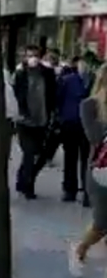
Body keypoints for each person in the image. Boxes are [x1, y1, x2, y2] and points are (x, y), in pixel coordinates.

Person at [13, 45, 57, 199]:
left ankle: (22, 178)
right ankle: (28, 186)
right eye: (29, 55)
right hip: (24, 121)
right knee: (29, 152)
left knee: (38, 154)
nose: (33, 58)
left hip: (42, 120)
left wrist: (52, 113)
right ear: (25, 57)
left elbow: (52, 94)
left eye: (35, 55)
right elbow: (16, 95)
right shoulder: (20, 74)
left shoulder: (48, 73)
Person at [75, 64, 107, 263]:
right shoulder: (89, 105)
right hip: (101, 172)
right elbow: (94, 137)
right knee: (102, 223)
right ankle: (81, 248)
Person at [55, 56, 90, 203]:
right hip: (70, 122)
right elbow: (58, 99)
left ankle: (87, 192)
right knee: (71, 157)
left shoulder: (93, 80)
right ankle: (70, 189)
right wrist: (60, 117)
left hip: (87, 124)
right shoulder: (68, 80)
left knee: (86, 159)